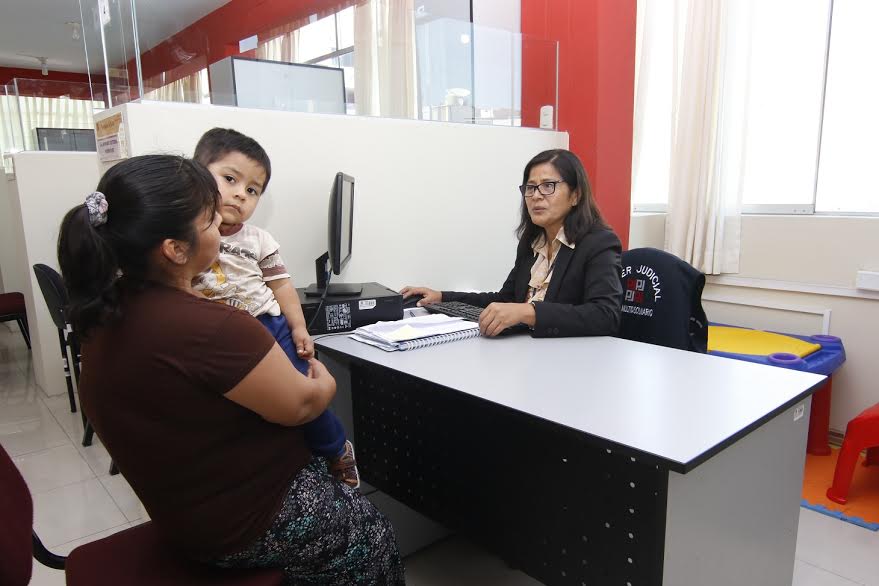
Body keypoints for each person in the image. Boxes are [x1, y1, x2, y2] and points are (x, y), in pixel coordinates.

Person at [58, 155, 404, 584]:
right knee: (372, 534)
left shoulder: (106, 312)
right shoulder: (211, 327)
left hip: (186, 515)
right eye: (209, 222)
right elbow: (301, 405)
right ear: (175, 248)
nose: (221, 229)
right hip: (242, 524)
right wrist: (324, 382)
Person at [191, 128, 357, 488]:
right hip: (219, 336)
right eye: (230, 179)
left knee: (301, 393)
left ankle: (335, 447)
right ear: (197, 174)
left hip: (268, 326)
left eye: (252, 190)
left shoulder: (258, 240)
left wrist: (299, 328)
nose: (240, 194)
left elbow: (281, 285)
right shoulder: (188, 235)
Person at [402, 149, 622, 337]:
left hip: (571, 363)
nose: (536, 196)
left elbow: (606, 315)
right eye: (530, 187)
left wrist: (529, 312)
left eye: (548, 186)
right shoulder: (532, 242)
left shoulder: (599, 243)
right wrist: (442, 297)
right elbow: (504, 300)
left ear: (575, 195)